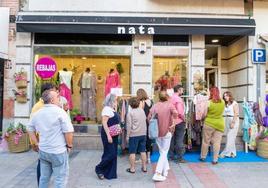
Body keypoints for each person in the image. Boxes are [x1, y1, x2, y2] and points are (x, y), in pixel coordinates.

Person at [27, 90, 74, 188]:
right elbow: (68, 131)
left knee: (44, 178)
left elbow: (29, 128)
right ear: (52, 100)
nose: (59, 98)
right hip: (58, 151)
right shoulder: (60, 112)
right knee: (60, 179)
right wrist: (69, 145)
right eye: (57, 97)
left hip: (43, 150)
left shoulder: (38, 113)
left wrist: (36, 143)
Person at [30, 83, 58, 186]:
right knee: (42, 165)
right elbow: (31, 127)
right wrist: (34, 143)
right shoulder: (38, 107)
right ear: (48, 92)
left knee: (46, 165)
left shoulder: (52, 105)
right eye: (54, 90)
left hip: (51, 142)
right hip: (42, 142)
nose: (56, 92)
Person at [148, 91, 177, 182]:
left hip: (157, 132)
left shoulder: (155, 105)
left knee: (162, 151)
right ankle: (158, 173)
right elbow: (176, 113)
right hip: (167, 131)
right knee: (164, 152)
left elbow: (148, 117)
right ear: (167, 97)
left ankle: (166, 169)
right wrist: (174, 123)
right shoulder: (170, 105)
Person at [95, 94, 119, 180]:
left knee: (111, 153)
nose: (116, 102)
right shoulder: (106, 109)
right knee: (110, 153)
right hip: (108, 134)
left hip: (114, 135)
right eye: (115, 100)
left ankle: (109, 173)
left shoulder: (112, 109)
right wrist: (109, 136)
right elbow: (104, 123)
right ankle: (99, 168)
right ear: (111, 101)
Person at [200, 87, 225, 165]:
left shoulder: (209, 102)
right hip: (220, 123)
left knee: (206, 141)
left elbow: (204, 114)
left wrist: (202, 118)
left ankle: (203, 157)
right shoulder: (223, 102)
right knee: (217, 142)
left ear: (211, 93)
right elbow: (221, 112)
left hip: (209, 123)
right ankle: (215, 159)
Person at [126, 97, 147, 173]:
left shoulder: (130, 113)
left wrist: (127, 136)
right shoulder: (142, 111)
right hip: (143, 134)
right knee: (143, 151)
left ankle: (132, 168)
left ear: (130, 105)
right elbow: (144, 121)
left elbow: (129, 126)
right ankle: (144, 167)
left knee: (132, 152)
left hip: (134, 134)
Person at [169, 85, 186, 163]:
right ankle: (180, 157)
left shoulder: (170, 98)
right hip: (179, 121)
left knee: (172, 139)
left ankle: (171, 156)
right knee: (179, 139)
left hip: (171, 121)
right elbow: (180, 112)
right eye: (182, 90)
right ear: (179, 90)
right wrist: (184, 119)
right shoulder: (178, 99)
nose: (183, 91)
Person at [220, 91, 239, 158]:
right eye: (224, 96)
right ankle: (233, 153)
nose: (225, 97)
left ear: (230, 96)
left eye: (227, 96)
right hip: (227, 120)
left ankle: (225, 153)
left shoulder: (234, 103)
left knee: (229, 136)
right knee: (231, 137)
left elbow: (236, 113)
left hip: (233, 120)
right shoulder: (225, 104)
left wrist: (233, 123)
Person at [136, 88, 153, 163]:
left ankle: (142, 159)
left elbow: (140, 113)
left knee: (142, 141)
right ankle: (148, 158)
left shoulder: (141, 102)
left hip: (143, 123)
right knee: (148, 140)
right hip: (150, 122)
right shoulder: (151, 101)